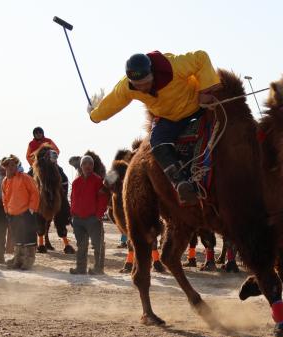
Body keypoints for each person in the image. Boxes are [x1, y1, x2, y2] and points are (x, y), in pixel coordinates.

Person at [88, 51, 221, 205]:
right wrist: (95, 116)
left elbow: (201, 57)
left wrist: (205, 91)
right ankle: (181, 183)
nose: (142, 88)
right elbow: (113, 102)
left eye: (145, 83)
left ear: (152, 73)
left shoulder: (173, 65)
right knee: (156, 141)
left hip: (198, 107)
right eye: (138, 85)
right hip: (169, 119)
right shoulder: (127, 87)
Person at [70, 156, 109, 275]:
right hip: (78, 219)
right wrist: (72, 213)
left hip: (93, 219)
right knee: (81, 244)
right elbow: (72, 198)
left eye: (90, 164)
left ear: (93, 166)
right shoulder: (76, 182)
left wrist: (99, 215)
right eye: (85, 164)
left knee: (98, 244)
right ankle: (81, 268)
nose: (87, 166)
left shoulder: (98, 181)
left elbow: (103, 199)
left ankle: (98, 268)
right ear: (81, 166)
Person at [1, 155, 39, 270]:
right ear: (5, 167)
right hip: (12, 214)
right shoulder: (5, 181)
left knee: (28, 238)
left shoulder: (25, 178)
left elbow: (35, 192)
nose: (11, 167)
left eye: (13, 165)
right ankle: (18, 260)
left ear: (16, 166)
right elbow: (5, 198)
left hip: (26, 213)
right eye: (8, 165)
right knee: (17, 239)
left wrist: (32, 209)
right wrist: (7, 211)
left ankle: (28, 261)